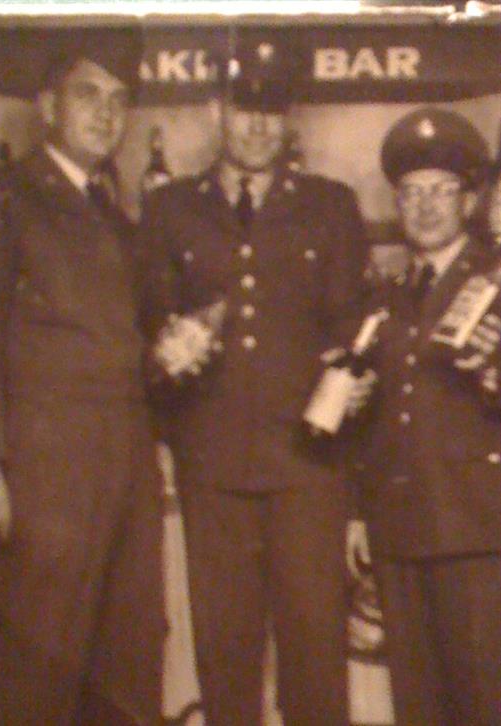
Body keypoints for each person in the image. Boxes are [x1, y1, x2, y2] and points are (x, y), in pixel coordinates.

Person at [142, 37, 368, 726]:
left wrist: (355, 383)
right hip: (212, 470)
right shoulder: (170, 208)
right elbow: (147, 336)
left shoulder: (330, 206)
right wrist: (167, 358)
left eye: (271, 111)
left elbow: (354, 329)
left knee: (314, 658)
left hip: (308, 470)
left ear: (288, 118)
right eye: (244, 110)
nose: (258, 126)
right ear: (218, 112)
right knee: (225, 656)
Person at [0, 28, 164, 726]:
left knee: (127, 658)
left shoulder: (114, 215)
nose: (106, 113)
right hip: (46, 474)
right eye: (87, 94)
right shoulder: (3, 197)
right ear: (48, 106)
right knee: (38, 665)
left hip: (126, 467)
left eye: (119, 99)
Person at [347, 107, 501, 726]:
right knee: (417, 707)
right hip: (398, 532)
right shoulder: (387, 294)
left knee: (483, 703)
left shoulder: (495, 282)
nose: (426, 206)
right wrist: (360, 512)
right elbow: (375, 417)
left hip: (475, 530)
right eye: (411, 192)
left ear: (469, 200)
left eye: (441, 190)